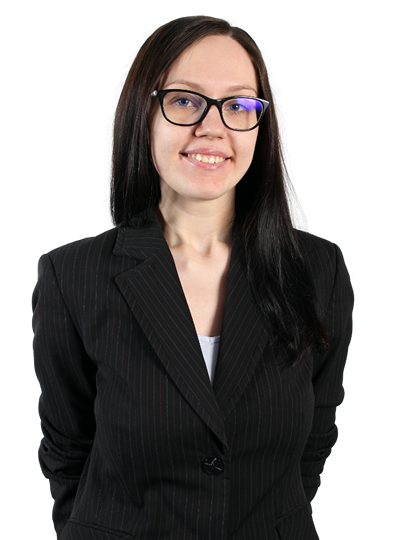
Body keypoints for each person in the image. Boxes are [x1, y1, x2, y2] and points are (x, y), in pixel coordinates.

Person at [32, 14, 354, 540]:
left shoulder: (319, 271)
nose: (213, 127)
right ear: (144, 114)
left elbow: (313, 446)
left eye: (239, 105)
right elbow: (68, 453)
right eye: (185, 100)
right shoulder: (72, 276)